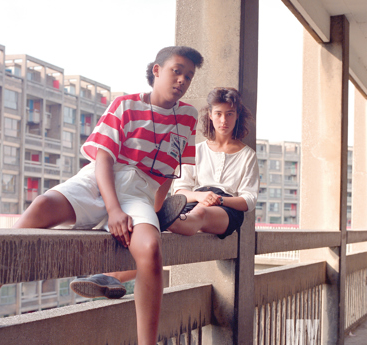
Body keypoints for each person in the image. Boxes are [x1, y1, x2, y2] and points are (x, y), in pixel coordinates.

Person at [0, 46, 204, 345]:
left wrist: (153, 214)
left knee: (150, 250)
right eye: (176, 71)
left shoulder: (188, 117)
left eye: (189, 76)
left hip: (140, 191)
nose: (182, 80)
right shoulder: (126, 104)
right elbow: (103, 158)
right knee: (40, 207)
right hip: (101, 179)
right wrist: (112, 209)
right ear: (156, 70)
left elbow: (167, 174)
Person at [71, 86, 259, 296]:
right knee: (156, 241)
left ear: (237, 116)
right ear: (210, 115)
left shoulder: (247, 155)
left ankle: (170, 220)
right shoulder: (196, 150)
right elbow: (180, 189)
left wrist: (219, 200)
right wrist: (200, 196)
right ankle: (111, 277)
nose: (224, 120)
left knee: (200, 213)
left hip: (227, 209)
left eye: (230, 114)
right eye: (218, 114)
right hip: (192, 201)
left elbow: (249, 199)